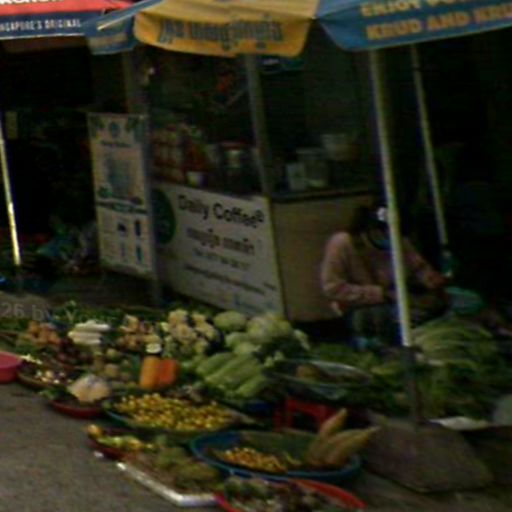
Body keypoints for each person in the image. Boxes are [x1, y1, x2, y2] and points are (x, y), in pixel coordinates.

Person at [320, 204, 447, 344]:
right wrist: (380, 294)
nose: (391, 239)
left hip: (396, 300)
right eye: (386, 234)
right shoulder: (342, 243)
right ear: (372, 230)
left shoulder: (400, 242)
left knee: (431, 310)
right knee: (384, 317)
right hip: (359, 306)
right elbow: (333, 288)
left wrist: (432, 280)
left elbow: (418, 267)